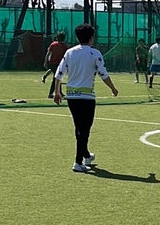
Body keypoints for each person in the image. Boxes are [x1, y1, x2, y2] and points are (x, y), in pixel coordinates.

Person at [53, 23, 119, 173]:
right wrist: (113, 88)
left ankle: (86, 155)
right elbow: (103, 74)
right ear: (91, 37)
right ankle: (78, 162)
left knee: (79, 127)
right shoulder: (95, 53)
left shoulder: (70, 52)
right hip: (87, 97)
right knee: (85, 130)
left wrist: (57, 92)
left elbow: (59, 73)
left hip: (71, 96)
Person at [42, 32, 68, 98]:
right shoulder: (65, 46)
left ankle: (60, 92)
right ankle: (50, 93)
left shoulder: (53, 44)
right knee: (56, 78)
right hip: (59, 64)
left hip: (52, 63)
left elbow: (48, 54)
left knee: (58, 78)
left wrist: (45, 62)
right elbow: (66, 56)